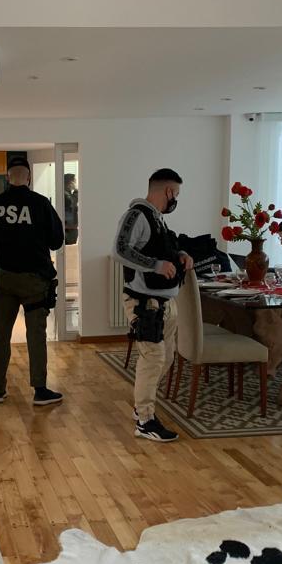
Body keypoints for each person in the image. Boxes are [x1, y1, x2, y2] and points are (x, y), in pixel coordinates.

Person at [113, 168, 193, 442]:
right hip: (144, 303)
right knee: (153, 358)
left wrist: (180, 254)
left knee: (166, 357)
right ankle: (145, 420)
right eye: (176, 194)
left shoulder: (158, 219)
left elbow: (160, 248)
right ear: (168, 191)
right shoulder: (136, 215)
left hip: (165, 301)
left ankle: (141, 408)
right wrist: (156, 265)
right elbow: (120, 250)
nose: (176, 199)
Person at [0, 156, 65, 406]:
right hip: (34, 281)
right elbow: (57, 241)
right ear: (29, 177)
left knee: (1, 335)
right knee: (36, 335)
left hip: (4, 279)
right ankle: (40, 390)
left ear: (7, 177)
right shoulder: (40, 204)